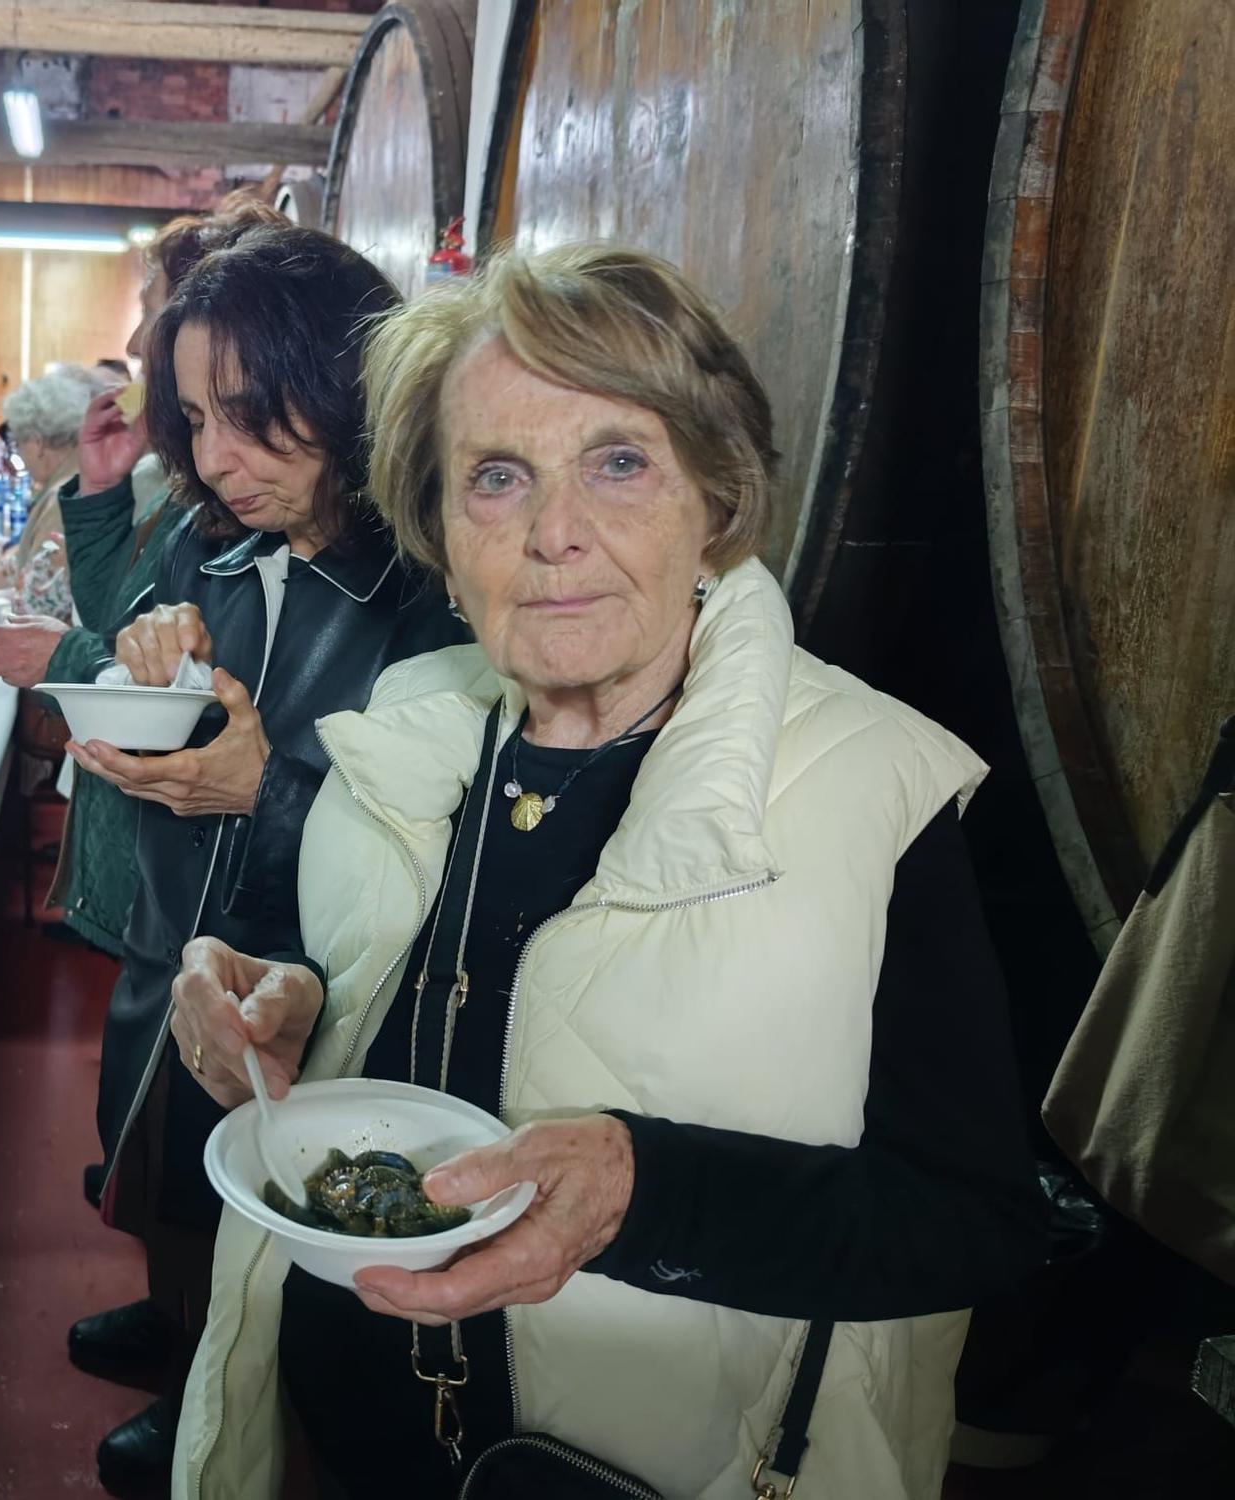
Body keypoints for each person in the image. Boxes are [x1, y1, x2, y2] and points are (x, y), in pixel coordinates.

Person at [166, 246, 1048, 1499]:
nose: (554, 535)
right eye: (496, 478)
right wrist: (291, 1005)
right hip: (352, 1429)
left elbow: (972, 1223)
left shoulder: (875, 788)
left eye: (619, 463)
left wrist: (650, 1192)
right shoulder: (413, 726)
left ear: (715, 503)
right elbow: (398, 991)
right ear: (437, 521)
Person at [62, 225, 469, 1494]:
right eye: (191, 420)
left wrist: (267, 790)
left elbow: (438, 846)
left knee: (268, 1196)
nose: (217, 459)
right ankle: (182, 1334)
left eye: (249, 415)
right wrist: (145, 656)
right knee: (158, 1159)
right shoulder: (208, 537)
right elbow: (129, 660)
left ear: (347, 385)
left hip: (314, 981)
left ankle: (222, 1375)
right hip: (175, 929)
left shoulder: (432, 587)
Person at [0, 202, 285, 963]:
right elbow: (124, 612)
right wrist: (103, 488)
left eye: (148, 309)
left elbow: (192, 687)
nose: (131, 342)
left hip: (195, 880)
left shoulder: (244, 491)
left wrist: (67, 660)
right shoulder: (187, 482)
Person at [0, 369, 93, 618]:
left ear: (38, 443)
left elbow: (39, 597)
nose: (21, 456)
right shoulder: (73, 479)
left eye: (19, 444)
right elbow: (28, 557)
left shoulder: (65, 495)